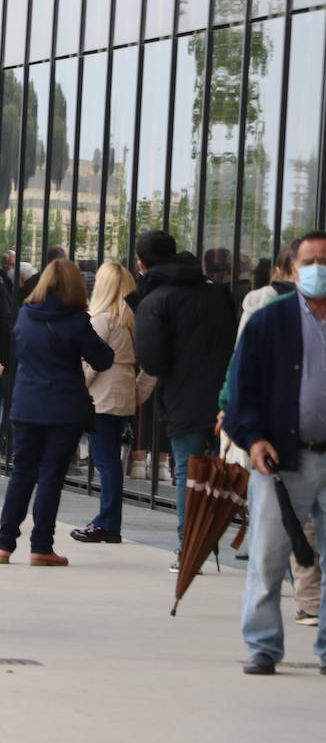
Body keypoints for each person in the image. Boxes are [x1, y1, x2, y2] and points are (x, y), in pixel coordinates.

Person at [224, 231, 326, 675]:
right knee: (267, 554)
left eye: (324, 260)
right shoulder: (271, 320)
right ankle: (263, 645)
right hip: (283, 456)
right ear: (292, 267)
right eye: (309, 261)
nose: (317, 269)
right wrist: (253, 438)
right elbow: (240, 389)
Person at [128, 229, 238, 570]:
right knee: (223, 470)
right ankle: (219, 539)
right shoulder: (217, 292)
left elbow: (154, 362)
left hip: (183, 399)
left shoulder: (155, 300)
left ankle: (188, 546)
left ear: (142, 263)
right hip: (224, 395)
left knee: (187, 473)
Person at [0, 259, 113, 567]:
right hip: (63, 408)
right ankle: (41, 547)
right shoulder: (76, 321)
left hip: (26, 404)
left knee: (21, 473)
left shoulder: (24, 317)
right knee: (50, 476)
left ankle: (3, 546)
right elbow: (102, 359)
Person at [71, 262, 154, 544]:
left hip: (102, 397)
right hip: (124, 395)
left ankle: (108, 522)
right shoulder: (133, 320)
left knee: (106, 462)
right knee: (112, 461)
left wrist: (76, 385)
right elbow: (150, 364)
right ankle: (108, 521)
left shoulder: (102, 319)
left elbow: (92, 363)